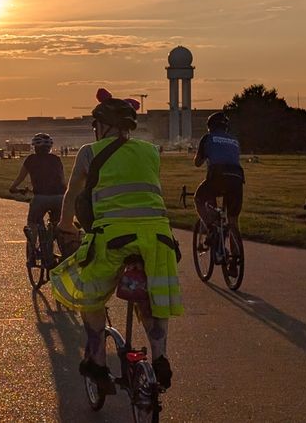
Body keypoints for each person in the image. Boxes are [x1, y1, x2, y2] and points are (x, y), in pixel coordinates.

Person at [51, 89, 182, 390]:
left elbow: (73, 193)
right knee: (155, 300)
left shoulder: (89, 152)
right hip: (158, 237)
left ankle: (97, 363)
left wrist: (65, 223)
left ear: (103, 125)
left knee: (91, 296)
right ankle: (160, 358)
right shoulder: (151, 151)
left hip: (112, 238)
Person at [193, 111, 245, 258]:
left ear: (210, 127)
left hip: (218, 176)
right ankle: (235, 259)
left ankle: (210, 228)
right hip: (237, 177)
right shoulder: (234, 140)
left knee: (199, 198)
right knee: (233, 220)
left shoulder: (207, 138)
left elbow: (197, 163)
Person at [9, 133, 66, 263]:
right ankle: (61, 245)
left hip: (41, 197)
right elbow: (62, 180)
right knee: (57, 222)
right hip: (59, 197)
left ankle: (32, 254)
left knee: (33, 223)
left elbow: (20, 178)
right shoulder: (56, 159)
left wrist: (13, 188)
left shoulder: (31, 160)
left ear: (34, 147)